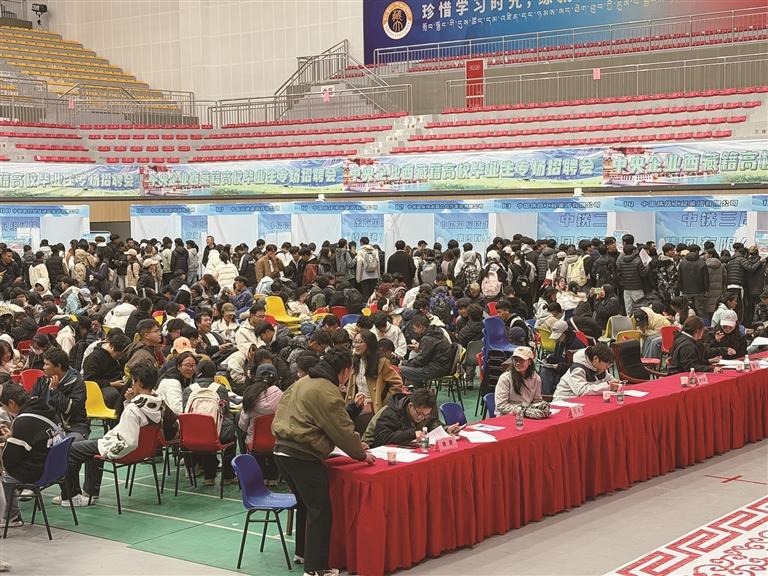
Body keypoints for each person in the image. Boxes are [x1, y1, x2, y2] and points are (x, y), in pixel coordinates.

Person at [272, 348, 376, 576]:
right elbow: (341, 429)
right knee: (320, 511)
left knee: (306, 505)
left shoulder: (302, 382)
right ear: (345, 370)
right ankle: (316, 569)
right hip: (303, 455)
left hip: (281, 450)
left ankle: (303, 553)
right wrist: (360, 453)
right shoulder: (327, 390)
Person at [59, 362, 177, 507]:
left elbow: (130, 441)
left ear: (139, 382)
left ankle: (71, 496)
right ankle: (90, 492)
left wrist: (109, 452)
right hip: (143, 451)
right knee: (93, 443)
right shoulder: (159, 402)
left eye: (133, 381)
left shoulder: (133, 409)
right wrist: (129, 401)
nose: (132, 384)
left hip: (124, 450)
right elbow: (139, 423)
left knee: (70, 450)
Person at [1, 382, 64, 529]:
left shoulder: (23, 421)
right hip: (56, 467)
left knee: (4, 472)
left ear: (11, 403)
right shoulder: (44, 407)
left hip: (38, 471)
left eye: (3, 406)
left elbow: (9, 460)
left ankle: (11, 516)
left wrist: (9, 440)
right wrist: (12, 437)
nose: (4, 409)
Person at [182, 360, 237, 487]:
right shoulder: (220, 389)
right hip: (216, 435)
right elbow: (226, 413)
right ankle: (228, 476)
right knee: (228, 437)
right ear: (214, 373)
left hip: (193, 436)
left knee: (204, 437)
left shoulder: (188, 390)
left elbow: (185, 412)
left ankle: (209, 477)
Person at [345, 330, 403, 434]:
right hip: (356, 404)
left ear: (369, 344)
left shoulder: (381, 362)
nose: (356, 345)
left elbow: (397, 383)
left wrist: (384, 402)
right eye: (355, 342)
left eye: (360, 342)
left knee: (362, 425)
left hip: (373, 407)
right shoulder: (354, 361)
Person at [370, 388, 461, 448]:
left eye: (426, 415)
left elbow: (431, 422)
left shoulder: (423, 413)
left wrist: (446, 429)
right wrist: (412, 434)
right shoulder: (391, 412)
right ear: (410, 406)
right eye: (420, 414)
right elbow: (381, 438)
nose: (422, 418)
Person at [31, 347, 89, 440]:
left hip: (72, 428)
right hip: (47, 428)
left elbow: (70, 409)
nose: (43, 367)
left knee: (70, 444)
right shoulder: (42, 382)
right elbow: (32, 404)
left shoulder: (77, 383)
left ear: (58, 366)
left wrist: (54, 391)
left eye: (47, 364)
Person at [398, 314, 453, 388]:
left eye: (415, 329)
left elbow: (421, 361)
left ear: (421, 327)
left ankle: (418, 391)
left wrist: (404, 363)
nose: (415, 331)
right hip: (443, 366)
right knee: (411, 368)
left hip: (437, 369)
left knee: (401, 370)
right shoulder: (436, 332)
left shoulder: (428, 338)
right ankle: (420, 391)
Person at [82, 328, 132, 408]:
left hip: (119, 382)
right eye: (118, 355)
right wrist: (111, 384)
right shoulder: (94, 358)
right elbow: (90, 380)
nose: (119, 358)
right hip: (101, 388)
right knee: (112, 394)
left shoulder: (120, 355)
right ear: (112, 346)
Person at [553, 344, 620, 401]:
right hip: (564, 402)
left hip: (582, 401)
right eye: (607, 364)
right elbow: (582, 391)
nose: (607, 367)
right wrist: (608, 385)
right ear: (596, 359)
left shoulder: (598, 366)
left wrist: (615, 382)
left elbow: (609, 378)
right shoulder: (577, 369)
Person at [539, 319, 587, 395]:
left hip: (568, 372)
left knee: (549, 374)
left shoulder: (576, 345)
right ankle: (545, 396)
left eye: (559, 336)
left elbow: (576, 366)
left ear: (565, 333)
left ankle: (547, 396)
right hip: (560, 368)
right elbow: (556, 356)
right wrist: (547, 360)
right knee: (544, 370)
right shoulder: (560, 342)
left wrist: (558, 366)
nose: (557, 339)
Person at [494, 347, 542, 416]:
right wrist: (523, 411)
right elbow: (501, 405)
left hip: (527, 414)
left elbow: (537, 400)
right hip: (507, 415)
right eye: (515, 360)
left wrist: (538, 408)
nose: (518, 363)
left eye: (522, 360)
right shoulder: (505, 378)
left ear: (530, 362)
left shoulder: (536, 378)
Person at [157, 350, 198, 416]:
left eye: (193, 365)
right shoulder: (173, 382)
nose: (191, 369)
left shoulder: (187, 379)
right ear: (179, 366)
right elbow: (177, 409)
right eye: (187, 365)